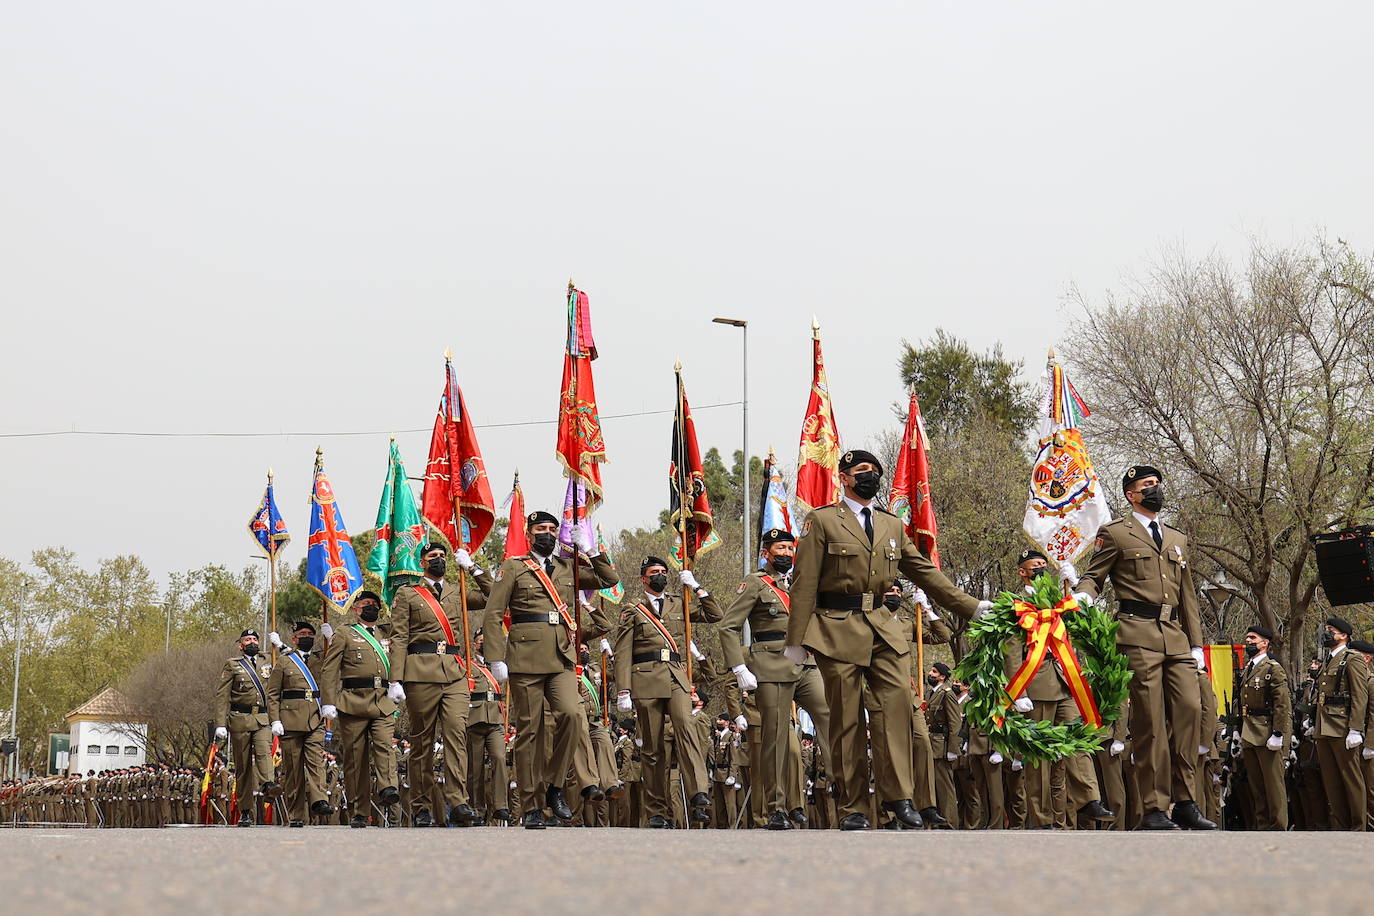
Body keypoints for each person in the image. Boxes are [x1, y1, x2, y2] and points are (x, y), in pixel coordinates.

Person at [783, 449, 992, 830]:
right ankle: (854, 807)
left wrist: (971, 607)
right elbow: (804, 582)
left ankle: (900, 797)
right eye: (862, 471)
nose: (871, 477)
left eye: (875, 472)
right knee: (844, 721)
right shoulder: (823, 520)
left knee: (895, 711)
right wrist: (797, 640)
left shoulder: (891, 525)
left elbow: (926, 573)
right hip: (836, 628)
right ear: (844, 477)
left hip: (883, 627)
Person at [1064, 465, 1213, 830]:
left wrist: (1196, 644)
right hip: (1135, 633)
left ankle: (1186, 801)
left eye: (1157, 484)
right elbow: (1094, 577)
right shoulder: (1115, 533)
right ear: (1131, 493)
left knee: (1189, 712)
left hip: (1174, 635)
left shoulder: (1177, 538)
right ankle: (1154, 807)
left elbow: (1188, 597)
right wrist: (1081, 597)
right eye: (1147, 485)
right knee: (1149, 724)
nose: (1155, 489)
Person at [482, 511, 620, 829]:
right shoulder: (514, 567)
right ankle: (531, 805)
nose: (546, 533)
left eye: (551, 529)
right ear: (529, 534)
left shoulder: (567, 567)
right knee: (530, 733)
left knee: (572, 716)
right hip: (525, 657)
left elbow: (609, 581)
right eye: (540, 529)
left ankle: (556, 785)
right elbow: (493, 614)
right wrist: (495, 658)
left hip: (561, 656)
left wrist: (591, 550)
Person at [718, 528, 832, 830]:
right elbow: (728, 627)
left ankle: (847, 795)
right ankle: (776, 807)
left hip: (807, 663)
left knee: (833, 718)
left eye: (789, 549)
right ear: (766, 552)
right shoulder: (756, 583)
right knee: (776, 738)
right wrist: (739, 668)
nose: (786, 554)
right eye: (780, 548)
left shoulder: (802, 583)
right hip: (772, 664)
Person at [1005, 549, 1113, 829]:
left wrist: (1075, 588)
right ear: (1022, 572)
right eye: (1035, 565)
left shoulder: (1059, 600)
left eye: (1044, 564)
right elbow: (1012, 650)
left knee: (1077, 740)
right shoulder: (1015, 605)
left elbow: (1082, 627)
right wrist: (1019, 693)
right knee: (1039, 755)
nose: (1041, 568)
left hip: (1066, 681)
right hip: (1036, 685)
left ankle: (1089, 799)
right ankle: (1040, 818)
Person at [387, 541, 491, 827]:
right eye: (433, 557)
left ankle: (458, 801)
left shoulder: (457, 590)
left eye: (443, 556)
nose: (440, 560)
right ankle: (421, 805)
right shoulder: (408, 594)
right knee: (422, 741)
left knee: (457, 733)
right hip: (421, 672)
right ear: (422, 562)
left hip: (455, 672)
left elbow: (492, 594)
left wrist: (472, 568)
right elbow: (399, 637)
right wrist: (395, 678)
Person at [614, 556, 722, 828]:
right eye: (654, 572)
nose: (660, 575)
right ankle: (657, 811)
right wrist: (623, 689)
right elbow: (623, 651)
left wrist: (697, 588)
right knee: (653, 748)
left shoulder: (679, 602)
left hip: (676, 676)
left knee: (687, 728)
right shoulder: (632, 610)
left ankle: (698, 794)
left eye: (663, 572)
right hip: (646, 679)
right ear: (643, 578)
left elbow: (714, 615)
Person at [320, 590, 401, 828]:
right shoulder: (345, 633)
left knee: (385, 746)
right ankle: (359, 809)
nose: (371, 607)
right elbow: (329, 669)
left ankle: (387, 788)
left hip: (382, 701)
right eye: (365, 604)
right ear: (356, 609)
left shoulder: (388, 633)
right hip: (353, 701)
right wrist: (328, 701)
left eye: (374, 604)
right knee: (356, 759)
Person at [265, 621, 334, 827]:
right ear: (294, 639)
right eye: (302, 634)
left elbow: (338, 656)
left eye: (311, 634)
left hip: (315, 719)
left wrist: (331, 638)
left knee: (315, 763)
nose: (307, 637)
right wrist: (275, 719)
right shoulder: (285, 662)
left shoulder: (321, 659)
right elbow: (273, 693)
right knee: (293, 770)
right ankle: (295, 813)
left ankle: (319, 800)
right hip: (290, 721)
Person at [213, 629, 277, 826]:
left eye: (255, 639)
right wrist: (220, 724)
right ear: (240, 645)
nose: (252, 642)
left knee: (263, 751)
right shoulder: (233, 664)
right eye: (247, 639)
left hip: (262, 717)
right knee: (243, 768)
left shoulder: (269, 658)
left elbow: (292, 660)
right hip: (240, 719)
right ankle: (245, 810)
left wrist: (280, 645)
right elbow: (222, 695)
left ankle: (268, 784)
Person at [1314, 616, 1368, 830]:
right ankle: (1341, 825)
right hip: (1324, 726)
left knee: (1350, 778)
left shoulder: (1351, 658)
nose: (1327, 633)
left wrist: (1355, 729)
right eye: (1326, 629)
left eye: (1331, 630)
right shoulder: (1329, 659)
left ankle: (1357, 826)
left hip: (1342, 726)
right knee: (1332, 781)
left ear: (1344, 635)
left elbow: (1359, 696)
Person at [1235, 625, 1290, 830]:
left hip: (1266, 732)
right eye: (1247, 637)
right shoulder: (1249, 667)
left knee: (1273, 785)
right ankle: (1263, 826)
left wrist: (1278, 733)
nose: (1248, 641)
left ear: (1265, 643)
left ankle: (1278, 827)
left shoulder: (1272, 668)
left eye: (1253, 638)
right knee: (1257, 786)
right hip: (1249, 732)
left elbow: (1281, 704)